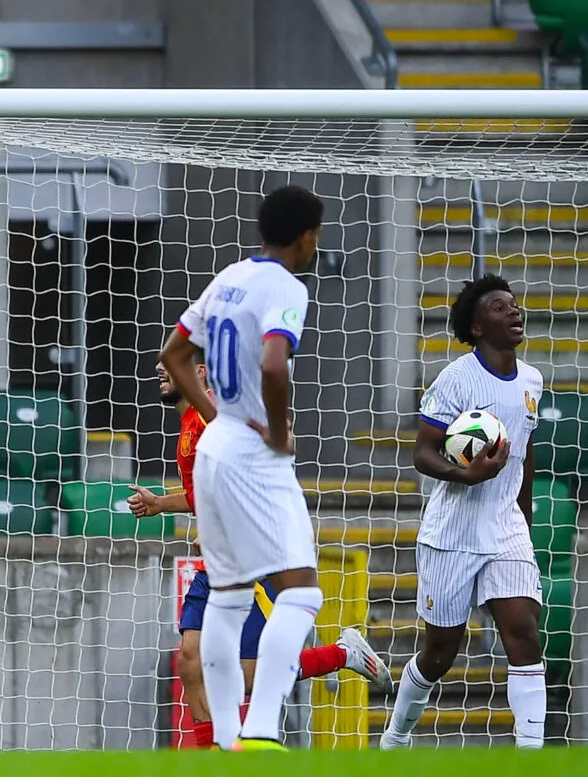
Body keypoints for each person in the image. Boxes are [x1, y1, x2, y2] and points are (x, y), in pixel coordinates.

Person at [130, 348, 392, 749]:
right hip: (220, 556)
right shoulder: (190, 423)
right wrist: (162, 504)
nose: (158, 369)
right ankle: (214, 757)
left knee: (245, 674)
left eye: (169, 362)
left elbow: (260, 458)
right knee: (190, 660)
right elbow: (203, 490)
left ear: (198, 371)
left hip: (251, 556)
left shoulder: (213, 416)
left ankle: (342, 654)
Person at [160, 184, 326, 751]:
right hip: (255, 454)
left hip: (215, 447)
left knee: (228, 599)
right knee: (302, 593)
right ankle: (260, 729)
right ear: (308, 236)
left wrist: (216, 416)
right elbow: (275, 363)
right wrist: (278, 435)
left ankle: (229, 740)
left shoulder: (228, 276)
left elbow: (174, 354)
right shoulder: (287, 286)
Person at [380, 275, 546, 750]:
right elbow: (424, 453)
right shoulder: (456, 378)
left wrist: (524, 523)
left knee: (523, 633)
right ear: (476, 327)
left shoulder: (532, 380)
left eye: (514, 305)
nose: (513, 312)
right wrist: (468, 476)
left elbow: (524, 456)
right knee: (440, 654)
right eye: (499, 308)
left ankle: (530, 753)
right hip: (452, 531)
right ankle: (396, 738)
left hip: (506, 529)